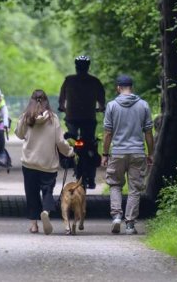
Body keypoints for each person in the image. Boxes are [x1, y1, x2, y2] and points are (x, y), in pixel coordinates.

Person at [15, 89, 74, 235]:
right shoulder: (53, 119)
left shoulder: (26, 117)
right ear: (46, 101)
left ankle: (34, 225)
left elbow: (19, 134)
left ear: (31, 101)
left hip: (29, 163)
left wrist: (24, 123)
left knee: (31, 193)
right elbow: (60, 142)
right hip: (48, 164)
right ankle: (46, 212)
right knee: (47, 191)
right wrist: (70, 152)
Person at [102, 74, 154, 235]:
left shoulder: (111, 106)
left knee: (115, 184)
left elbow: (108, 133)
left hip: (117, 152)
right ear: (132, 88)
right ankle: (130, 224)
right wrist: (150, 153)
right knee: (134, 189)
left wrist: (105, 153)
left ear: (118, 88)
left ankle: (117, 215)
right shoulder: (143, 105)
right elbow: (148, 133)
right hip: (137, 152)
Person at [58, 55, 105, 188]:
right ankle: (91, 172)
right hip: (89, 118)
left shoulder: (69, 80)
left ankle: (67, 159)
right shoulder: (94, 81)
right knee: (90, 143)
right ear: (88, 67)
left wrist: (62, 107)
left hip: (72, 117)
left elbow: (62, 98)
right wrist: (101, 108)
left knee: (71, 138)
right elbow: (101, 99)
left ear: (76, 67)